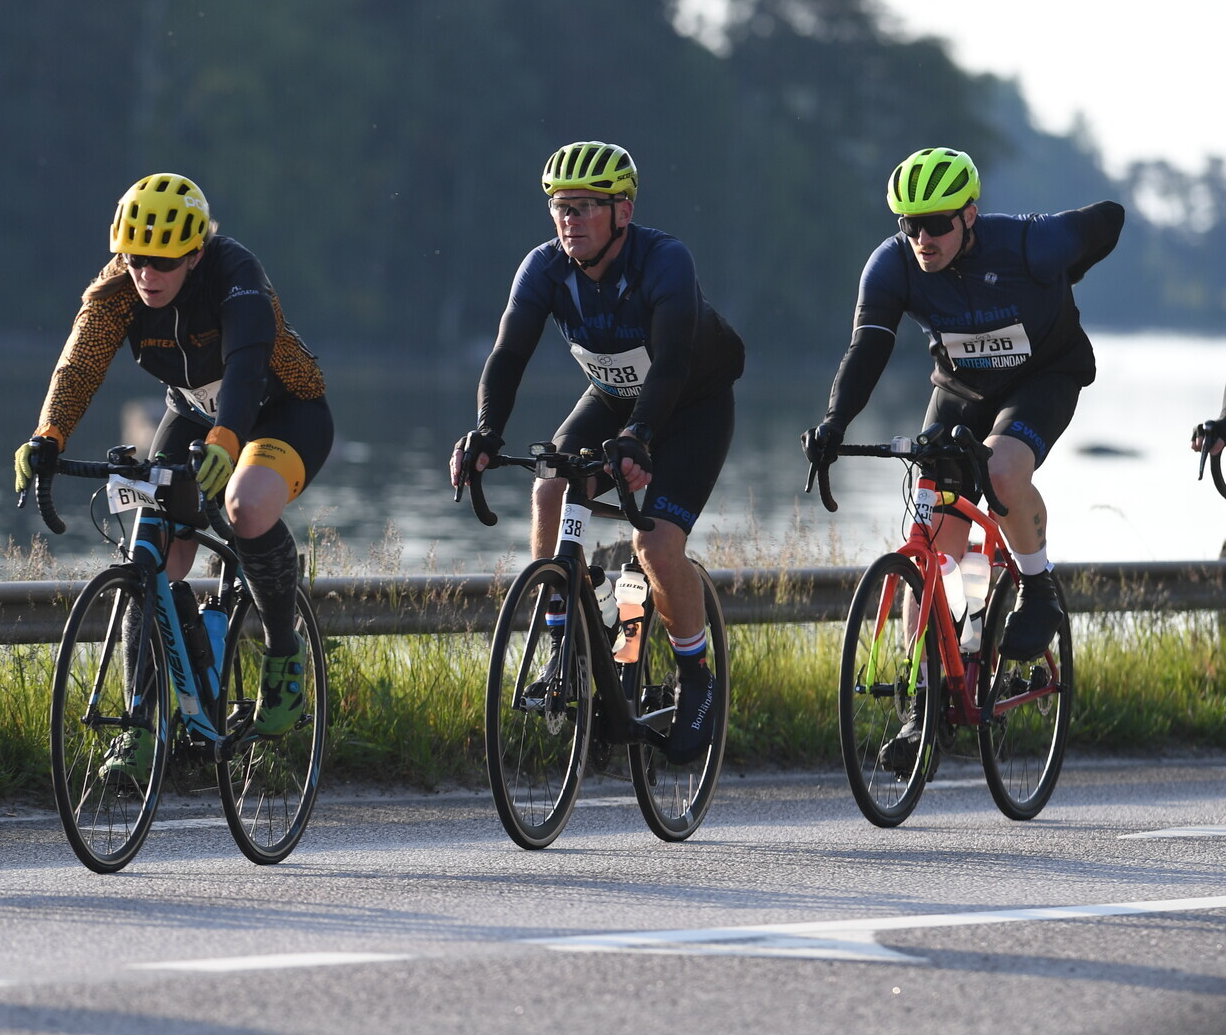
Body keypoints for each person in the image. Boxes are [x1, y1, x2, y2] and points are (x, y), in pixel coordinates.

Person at [802, 147, 1123, 768]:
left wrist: (1066, 269)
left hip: (1043, 377)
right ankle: (924, 708)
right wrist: (834, 424)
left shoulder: (1026, 244)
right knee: (929, 542)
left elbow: (1109, 217)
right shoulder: (893, 264)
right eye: (909, 224)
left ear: (969, 216)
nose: (922, 238)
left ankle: (1037, 585)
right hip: (962, 391)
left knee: (1001, 470)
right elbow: (867, 350)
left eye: (936, 224)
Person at [15, 173, 333, 774]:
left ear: (194, 254)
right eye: (135, 259)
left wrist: (227, 440)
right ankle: (142, 724)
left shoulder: (235, 273)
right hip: (190, 414)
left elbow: (246, 367)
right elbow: (79, 363)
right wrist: (48, 434)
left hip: (281, 412)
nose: (146, 274)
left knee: (245, 507)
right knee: (154, 551)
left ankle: (283, 657)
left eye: (162, 262)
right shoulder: (119, 288)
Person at [451, 142, 744, 764]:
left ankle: (696, 677)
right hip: (612, 399)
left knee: (655, 545)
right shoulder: (543, 268)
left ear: (623, 212)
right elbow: (508, 355)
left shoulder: (664, 261)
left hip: (691, 406)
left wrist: (640, 436)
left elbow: (671, 364)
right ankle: (569, 643)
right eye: (561, 207)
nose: (570, 219)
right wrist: (485, 432)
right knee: (551, 487)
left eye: (585, 207)